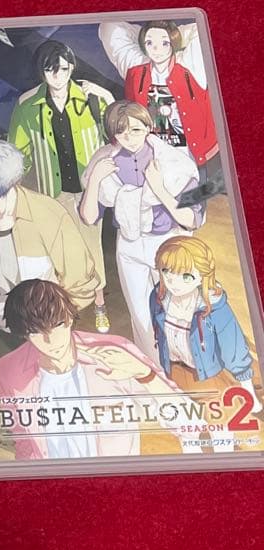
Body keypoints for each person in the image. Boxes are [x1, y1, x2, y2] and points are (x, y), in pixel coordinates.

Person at [0, 279, 198, 459]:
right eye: (36, 332)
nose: (51, 340)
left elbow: (190, 424)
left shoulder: (115, 353)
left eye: (57, 325)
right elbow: (22, 439)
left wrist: (146, 375)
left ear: (70, 317)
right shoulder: (8, 370)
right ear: (24, 334)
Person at [79, 101, 203, 362]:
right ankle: (153, 362)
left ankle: (187, 359)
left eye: (136, 130)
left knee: (178, 306)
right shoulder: (104, 161)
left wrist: (160, 190)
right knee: (139, 311)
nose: (129, 137)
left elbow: (192, 219)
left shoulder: (173, 161)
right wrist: (94, 180)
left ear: (148, 127)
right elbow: (89, 217)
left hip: (168, 243)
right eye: (121, 131)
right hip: (129, 245)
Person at [7, 40, 113, 331]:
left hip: (88, 190)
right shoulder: (28, 106)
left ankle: (99, 305)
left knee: (91, 249)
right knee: (61, 254)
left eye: (64, 69)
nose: (58, 75)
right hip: (52, 192)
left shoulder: (93, 98)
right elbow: (18, 153)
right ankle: (66, 310)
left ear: (72, 68)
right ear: (41, 72)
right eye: (50, 69)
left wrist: (106, 95)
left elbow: (115, 134)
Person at [0, 139, 99, 332]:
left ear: (8, 175)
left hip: (43, 325)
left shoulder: (47, 213)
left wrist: (55, 321)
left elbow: (80, 279)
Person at [149, 236, 261, 419]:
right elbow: (157, 332)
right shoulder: (157, 297)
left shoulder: (214, 306)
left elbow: (233, 347)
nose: (173, 281)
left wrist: (248, 392)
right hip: (175, 369)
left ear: (202, 276)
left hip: (208, 373)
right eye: (166, 271)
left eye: (186, 276)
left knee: (220, 419)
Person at [100, 20, 217, 168]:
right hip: (152, 161)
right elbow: (109, 27)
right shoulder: (135, 66)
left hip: (198, 158)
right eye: (150, 43)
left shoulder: (190, 64)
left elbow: (203, 28)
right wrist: (147, 34)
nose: (157, 49)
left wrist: (172, 33)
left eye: (164, 43)